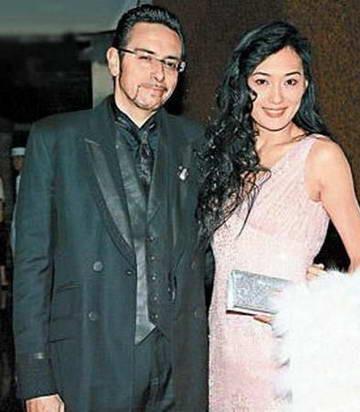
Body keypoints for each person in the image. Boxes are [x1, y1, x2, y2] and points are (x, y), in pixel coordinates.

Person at [14, 5, 210, 412]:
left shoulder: (198, 143)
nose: (159, 74)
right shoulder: (56, 139)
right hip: (90, 357)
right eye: (146, 57)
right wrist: (36, 380)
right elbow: (31, 265)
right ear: (114, 61)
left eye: (170, 63)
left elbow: (217, 247)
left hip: (179, 364)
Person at [197, 21, 360, 410]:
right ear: (242, 84)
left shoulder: (321, 156)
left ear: (305, 86)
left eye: (290, 82)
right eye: (262, 81)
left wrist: (326, 299)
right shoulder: (226, 158)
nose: (276, 97)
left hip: (288, 356)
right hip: (224, 352)